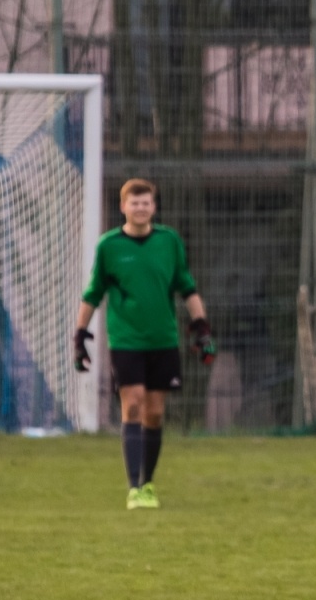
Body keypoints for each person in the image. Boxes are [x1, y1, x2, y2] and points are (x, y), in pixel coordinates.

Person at [75, 178, 215, 509]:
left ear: (153, 207)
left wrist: (202, 329)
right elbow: (93, 293)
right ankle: (134, 487)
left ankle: (148, 484)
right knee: (133, 403)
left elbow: (187, 287)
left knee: (154, 411)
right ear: (123, 207)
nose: (140, 208)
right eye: (134, 203)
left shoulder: (169, 242)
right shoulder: (109, 246)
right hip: (126, 340)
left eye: (146, 203)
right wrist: (79, 335)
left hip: (163, 339)